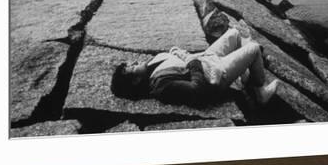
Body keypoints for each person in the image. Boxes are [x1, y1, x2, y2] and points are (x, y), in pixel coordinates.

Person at [110, 27, 279, 108]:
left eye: (129, 63)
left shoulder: (151, 65)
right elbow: (197, 89)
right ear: (136, 80)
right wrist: (192, 62)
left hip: (205, 58)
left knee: (234, 33)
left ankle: (247, 70)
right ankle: (259, 91)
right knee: (253, 48)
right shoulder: (160, 84)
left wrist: (186, 57)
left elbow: (176, 54)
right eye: (131, 68)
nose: (133, 62)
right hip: (213, 74)